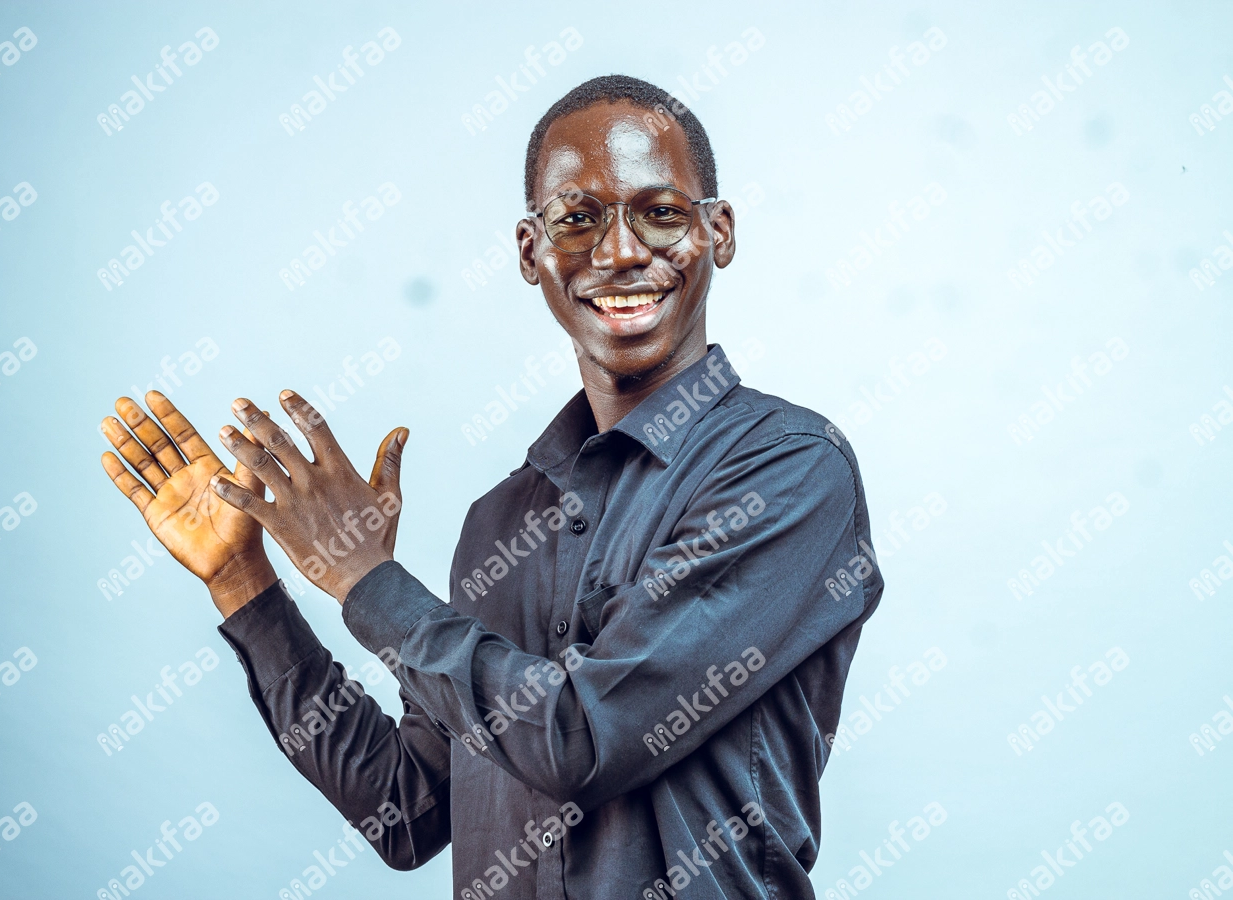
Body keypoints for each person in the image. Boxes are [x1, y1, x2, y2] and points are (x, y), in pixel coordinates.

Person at [98, 75, 883, 900]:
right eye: (577, 219)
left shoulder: (787, 470)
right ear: (529, 251)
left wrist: (367, 584)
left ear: (717, 232)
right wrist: (242, 582)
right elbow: (403, 810)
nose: (618, 252)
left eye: (660, 212)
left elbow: (583, 737)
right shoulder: (502, 522)